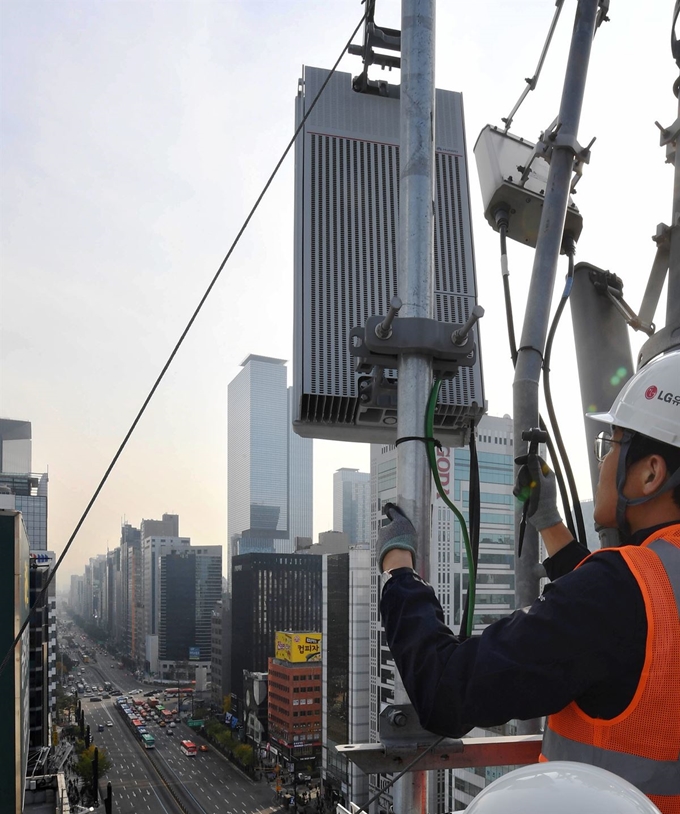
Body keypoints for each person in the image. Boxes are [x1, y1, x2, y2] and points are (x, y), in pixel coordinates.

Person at [378, 349, 680, 813]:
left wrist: (398, 570)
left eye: (611, 446)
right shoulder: (639, 588)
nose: (602, 463)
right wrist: (548, 522)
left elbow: (446, 690)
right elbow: (629, 628)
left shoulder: (621, 589)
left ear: (651, 473)